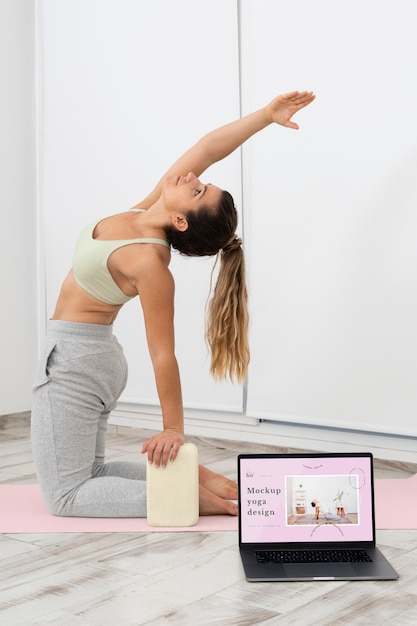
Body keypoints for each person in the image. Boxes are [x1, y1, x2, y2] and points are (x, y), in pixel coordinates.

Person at [31, 90, 316, 518]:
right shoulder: (143, 212)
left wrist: (173, 429)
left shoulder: (150, 260)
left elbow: (163, 353)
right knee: (93, 470)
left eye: (197, 188)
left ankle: (184, 497)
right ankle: (200, 479)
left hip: (77, 361)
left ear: (181, 220)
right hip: (89, 355)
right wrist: (265, 116)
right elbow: (207, 148)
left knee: (65, 496)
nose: (189, 177)